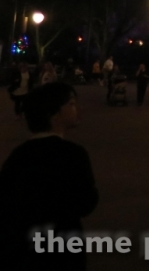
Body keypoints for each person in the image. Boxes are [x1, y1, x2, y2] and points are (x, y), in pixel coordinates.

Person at [0, 82, 99, 270]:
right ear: (52, 113)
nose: (77, 108)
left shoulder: (18, 155)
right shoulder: (72, 153)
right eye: (70, 104)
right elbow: (85, 203)